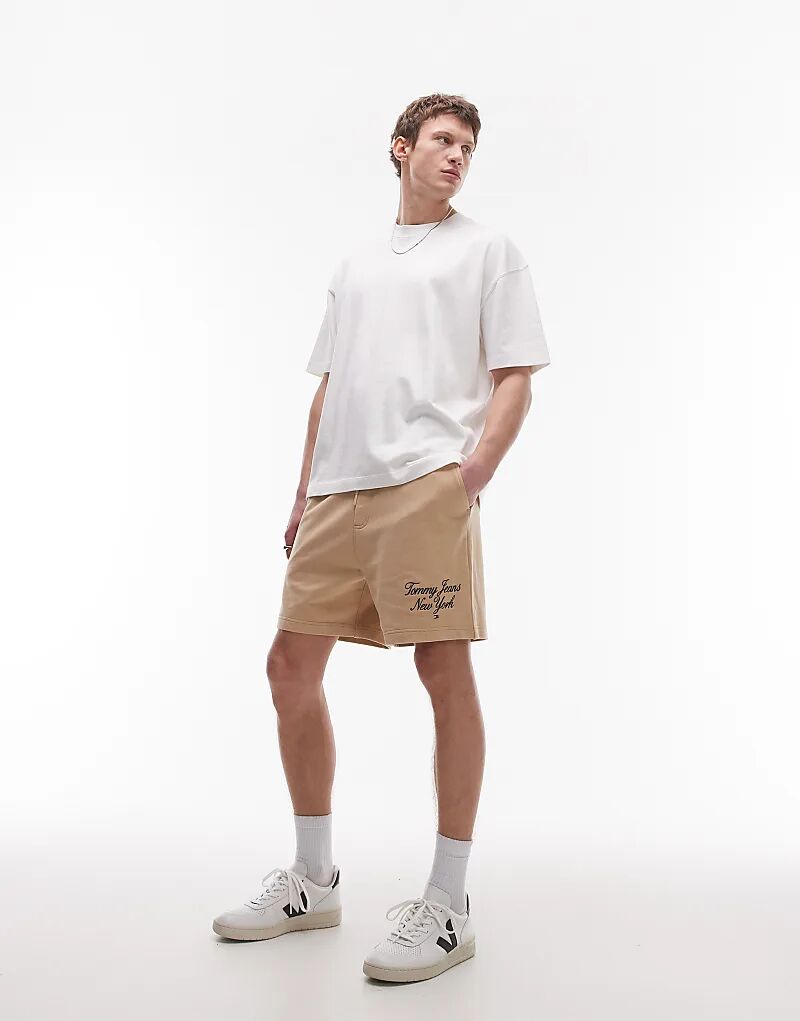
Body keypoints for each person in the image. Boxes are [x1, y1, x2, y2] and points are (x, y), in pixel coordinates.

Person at [212, 93, 550, 984]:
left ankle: (448, 902)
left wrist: (470, 475)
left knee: (442, 669)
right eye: (442, 139)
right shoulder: (356, 263)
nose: (458, 154)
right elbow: (329, 386)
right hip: (337, 491)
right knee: (289, 666)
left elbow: (516, 375)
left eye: (468, 145)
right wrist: (303, 490)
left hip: (425, 487)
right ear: (401, 148)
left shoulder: (489, 251)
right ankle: (313, 879)